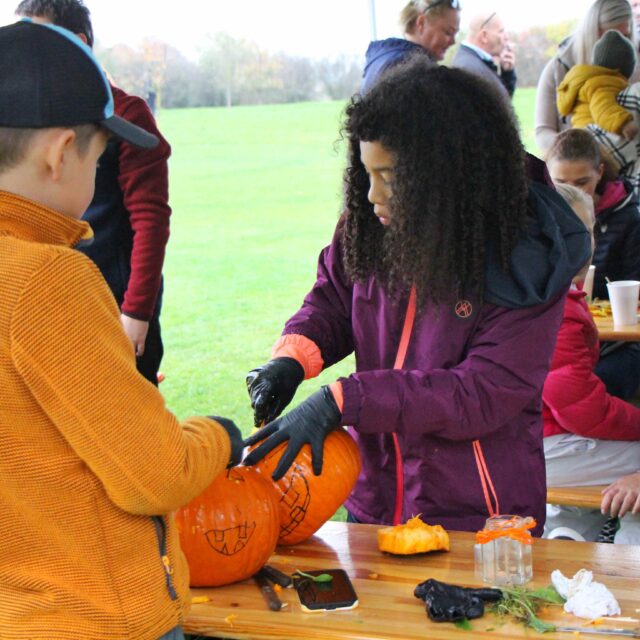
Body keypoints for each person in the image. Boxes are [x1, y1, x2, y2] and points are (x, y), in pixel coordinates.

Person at [242, 57, 591, 535]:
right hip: (375, 501)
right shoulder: (372, 225)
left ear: (448, 174)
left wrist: (345, 400)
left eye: (390, 176)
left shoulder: (524, 257)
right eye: (366, 173)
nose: (371, 195)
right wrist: (294, 356)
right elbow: (335, 297)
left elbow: (480, 393)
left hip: (479, 519)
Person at [0, 20, 243, 640]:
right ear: (59, 154)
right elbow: (153, 473)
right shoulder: (48, 279)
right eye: (98, 159)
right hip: (94, 615)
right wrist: (220, 436)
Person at [16, 0, 171, 386]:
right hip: (50, 296)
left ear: (80, 43)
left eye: (42, 41)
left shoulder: (127, 115)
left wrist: (136, 312)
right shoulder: (27, 118)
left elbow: (150, 219)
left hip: (115, 296)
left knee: (127, 413)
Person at [542, 183, 640, 544]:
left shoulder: (540, 291)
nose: (581, 241)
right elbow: (583, 411)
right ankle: (630, 549)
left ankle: (568, 536)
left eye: (586, 231)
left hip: (536, 443)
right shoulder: (555, 309)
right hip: (544, 450)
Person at [546, 128, 640, 399]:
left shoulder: (628, 218)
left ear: (600, 172)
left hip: (614, 338)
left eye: (582, 182)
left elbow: (632, 286)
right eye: (560, 182)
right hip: (561, 334)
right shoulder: (538, 217)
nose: (572, 192)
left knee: (596, 383)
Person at [535, 0, 636, 156]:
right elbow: (543, 131)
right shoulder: (557, 69)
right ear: (592, 32)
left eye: (624, 36)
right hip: (572, 169)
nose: (615, 44)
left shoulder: (633, 68)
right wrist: (577, 153)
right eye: (607, 35)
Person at [361, 0, 461, 93]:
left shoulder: (382, 58)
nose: (453, 42)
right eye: (448, 32)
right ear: (421, 23)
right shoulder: (410, 68)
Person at [557, 30, 639, 140]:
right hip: (593, 140)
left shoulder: (589, 81)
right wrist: (624, 124)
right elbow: (603, 107)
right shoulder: (603, 83)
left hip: (581, 136)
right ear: (626, 68)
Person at [451, 10, 517, 103]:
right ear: (484, 36)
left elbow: (501, 107)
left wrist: (507, 74)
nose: (506, 38)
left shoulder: (473, 62)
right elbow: (496, 111)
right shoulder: (470, 70)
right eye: (501, 32)